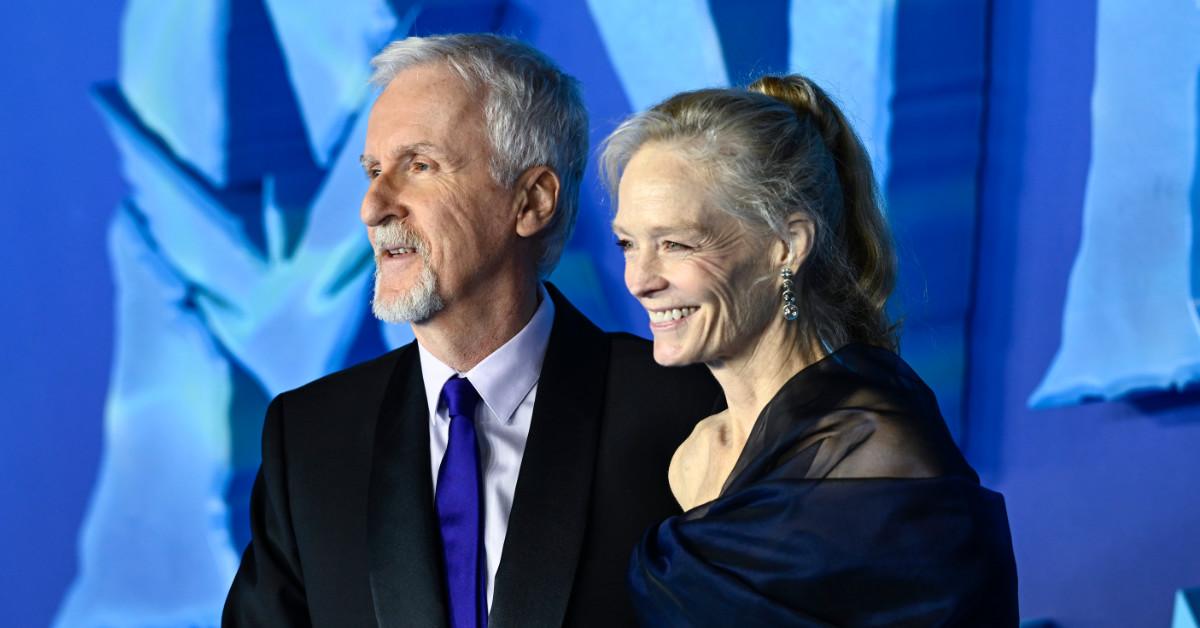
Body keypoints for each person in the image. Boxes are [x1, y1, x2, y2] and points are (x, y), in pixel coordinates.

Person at [223, 34, 719, 627]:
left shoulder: (690, 411)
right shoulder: (307, 440)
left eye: (420, 166)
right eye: (373, 171)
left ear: (531, 201)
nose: (373, 206)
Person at [603, 75, 1019, 626]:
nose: (639, 279)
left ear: (787, 246)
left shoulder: (876, 456)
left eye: (676, 243)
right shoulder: (694, 454)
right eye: (628, 244)